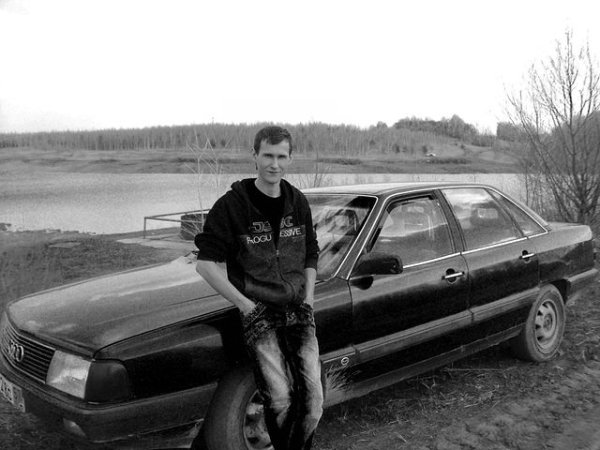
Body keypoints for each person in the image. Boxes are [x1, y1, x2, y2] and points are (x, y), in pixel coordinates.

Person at [194, 125, 323, 450]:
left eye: (281, 156)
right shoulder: (231, 206)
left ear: (290, 159)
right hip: (260, 314)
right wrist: (246, 306)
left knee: (313, 403)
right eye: (267, 155)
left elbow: (311, 252)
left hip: (299, 311)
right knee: (280, 400)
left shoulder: (298, 202)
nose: (274, 164)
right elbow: (205, 264)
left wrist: (309, 296)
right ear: (254, 156)